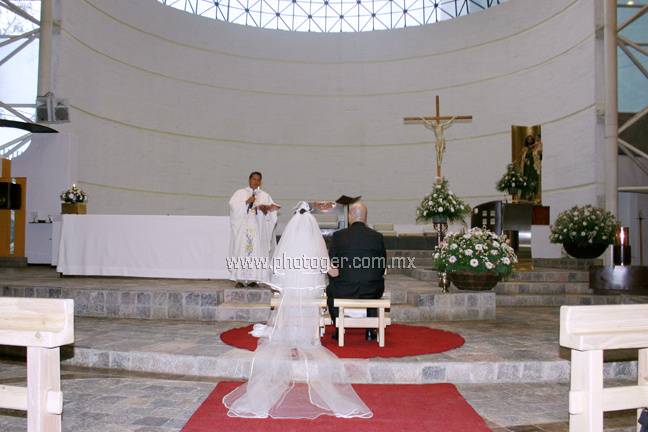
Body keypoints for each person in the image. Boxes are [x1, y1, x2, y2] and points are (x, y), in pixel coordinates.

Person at [223, 202, 372, 419]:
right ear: (312, 224)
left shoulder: (288, 243)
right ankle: (309, 335)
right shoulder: (316, 241)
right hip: (310, 292)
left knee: (292, 299)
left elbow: (278, 269)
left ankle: (289, 335)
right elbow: (329, 268)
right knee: (319, 293)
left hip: (291, 292)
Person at [327, 202, 386, 341]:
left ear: (349, 216)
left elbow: (332, 265)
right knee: (371, 281)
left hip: (344, 289)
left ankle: (338, 327)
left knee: (330, 289)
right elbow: (382, 267)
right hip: (372, 290)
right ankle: (370, 330)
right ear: (365, 218)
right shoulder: (377, 237)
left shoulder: (338, 236)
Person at [228, 171, 279, 287]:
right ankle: (240, 279)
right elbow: (233, 206)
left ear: (261, 181)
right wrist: (246, 202)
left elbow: (271, 214)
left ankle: (253, 279)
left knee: (256, 251)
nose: (256, 181)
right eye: (254, 179)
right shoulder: (240, 193)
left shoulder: (265, 196)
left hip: (257, 228)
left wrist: (264, 211)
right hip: (243, 229)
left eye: (258, 180)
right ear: (249, 180)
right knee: (241, 250)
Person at [519, 134, 542, 203]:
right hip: (526, 168)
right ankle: (525, 198)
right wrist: (524, 160)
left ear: (533, 140)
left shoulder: (536, 147)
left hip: (533, 168)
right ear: (526, 140)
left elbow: (539, 156)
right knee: (526, 182)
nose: (529, 140)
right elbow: (523, 158)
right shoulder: (525, 149)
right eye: (528, 139)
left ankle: (533, 197)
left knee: (532, 181)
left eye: (530, 139)